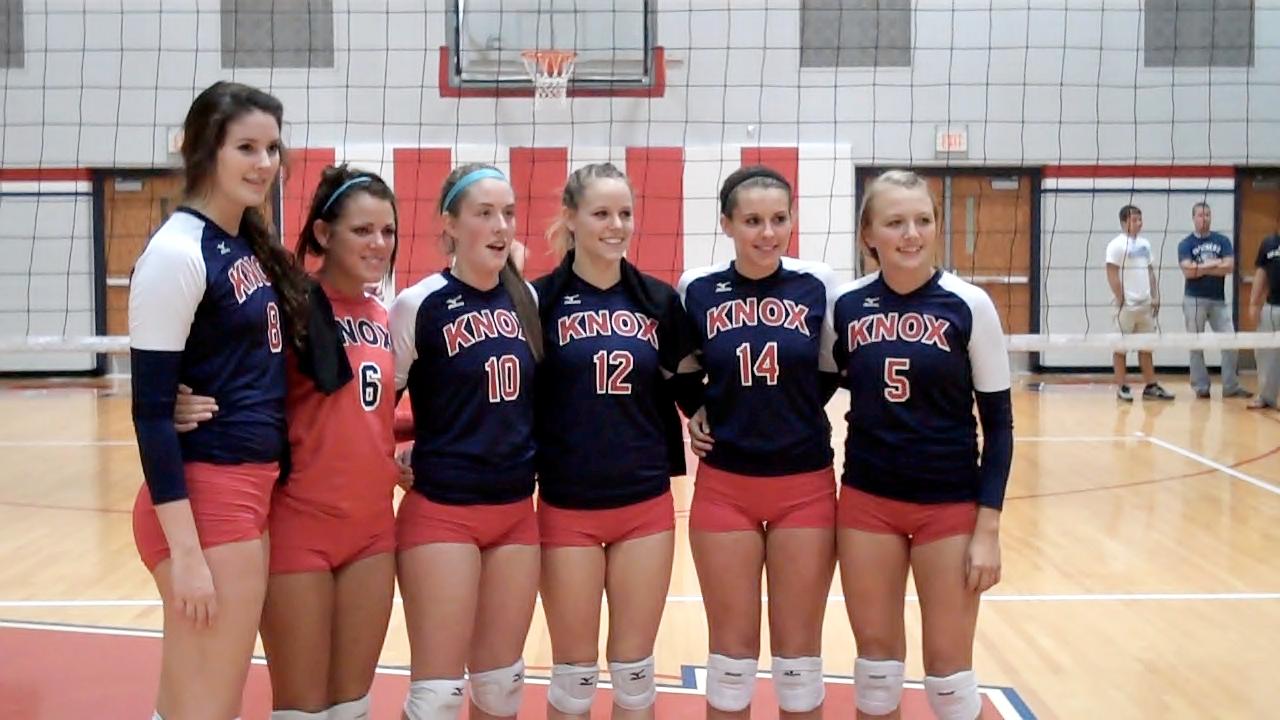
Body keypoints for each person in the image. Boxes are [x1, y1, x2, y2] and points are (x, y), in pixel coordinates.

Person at [128, 80, 307, 720]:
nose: (264, 163)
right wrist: (186, 555)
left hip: (245, 493)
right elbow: (150, 413)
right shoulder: (178, 252)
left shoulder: (242, 245)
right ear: (208, 149)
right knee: (205, 708)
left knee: (201, 705)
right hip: (207, 499)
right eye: (247, 148)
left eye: (273, 148)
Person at [827, 169, 1014, 720]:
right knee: (876, 675)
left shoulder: (969, 304)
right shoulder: (846, 305)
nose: (911, 234)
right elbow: (804, 391)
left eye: (923, 220)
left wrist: (988, 529)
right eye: (895, 222)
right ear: (868, 234)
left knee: (950, 679)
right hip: (867, 504)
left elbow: (1000, 426)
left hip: (949, 508)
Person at [531, 162, 701, 720]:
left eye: (625, 213)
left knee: (634, 675)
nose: (616, 225)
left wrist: (705, 413)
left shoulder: (658, 300)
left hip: (643, 504)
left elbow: (688, 382)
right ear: (570, 218)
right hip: (566, 505)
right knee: (574, 678)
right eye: (601, 213)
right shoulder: (538, 301)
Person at [679, 165, 839, 719]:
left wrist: (789, 413)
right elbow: (683, 368)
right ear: (726, 224)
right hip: (725, 487)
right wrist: (696, 409)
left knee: (799, 663)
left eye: (779, 219)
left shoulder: (818, 284)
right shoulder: (697, 288)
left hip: (805, 486)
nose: (768, 233)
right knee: (730, 660)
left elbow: (829, 370)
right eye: (752, 221)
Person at [390, 163, 544, 720]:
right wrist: (387, 458)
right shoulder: (419, 304)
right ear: (450, 224)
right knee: (437, 697)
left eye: (509, 213)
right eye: (484, 213)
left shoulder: (527, 298)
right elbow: (371, 406)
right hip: (443, 512)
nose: (501, 226)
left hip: (516, 513)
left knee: (501, 689)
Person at [1178, 202, 1251, 399]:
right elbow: (1188, 271)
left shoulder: (1222, 240)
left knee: (1230, 341)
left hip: (1218, 301)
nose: (1204, 219)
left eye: (1207, 215)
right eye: (1201, 215)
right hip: (1194, 300)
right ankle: (1201, 387)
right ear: (1193, 218)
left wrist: (1200, 267)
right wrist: (1214, 263)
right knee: (1195, 345)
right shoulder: (1186, 244)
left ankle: (1230, 386)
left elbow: (1229, 267)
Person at [1106, 204, 1174, 402]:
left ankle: (1151, 386)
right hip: (1126, 306)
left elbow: (1150, 271)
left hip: (1145, 305)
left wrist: (1155, 295)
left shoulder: (1145, 244)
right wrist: (1120, 298)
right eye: (1134, 220)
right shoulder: (1116, 245)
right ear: (1124, 222)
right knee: (1120, 348)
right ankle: (1122, 386)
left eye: (1140, 219)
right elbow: (1111, 273)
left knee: (1146, 347)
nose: (1139, 223)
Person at [1247, 231, 1280, 410]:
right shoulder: (1269, 243)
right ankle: (1266, 397)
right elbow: (1261, 273)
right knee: (1265, 354)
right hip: (1272, 307)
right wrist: (1254, 303)